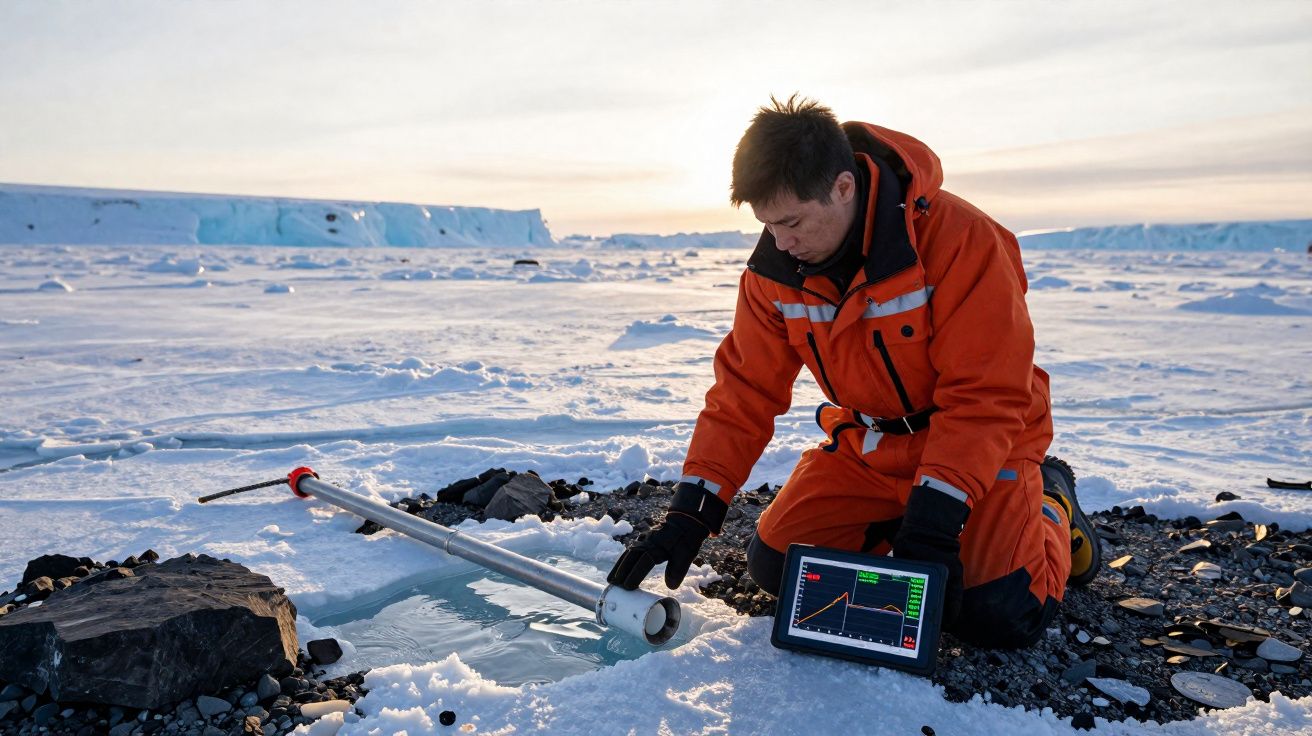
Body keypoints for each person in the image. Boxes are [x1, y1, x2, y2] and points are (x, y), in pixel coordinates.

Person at [608, 95, 1101, 648]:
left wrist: (937, 516)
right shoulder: (774, 273)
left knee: (995, 615)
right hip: (870, 446)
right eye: (767, 225)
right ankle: (906, 522)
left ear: (843, 187)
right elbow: (744, 393)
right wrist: (691, 515)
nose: (780, 242)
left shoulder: (961, 241)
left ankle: (1052, 506)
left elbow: (986, 395)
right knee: (777, 567)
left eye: (791, 222)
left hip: (983, 443)